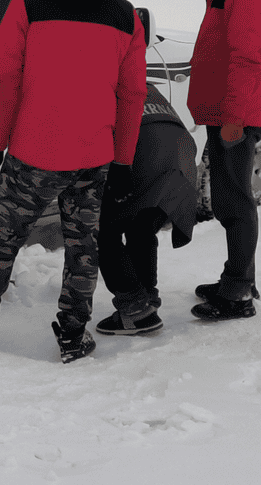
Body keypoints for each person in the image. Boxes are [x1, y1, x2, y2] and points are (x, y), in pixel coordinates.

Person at [0, 0, 148, 363]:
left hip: (33, 155)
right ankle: (73, 336)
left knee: (2, 240)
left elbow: (5, 80)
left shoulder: (27, 3)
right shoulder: (125, 15)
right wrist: (122, 162)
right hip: (94, 157)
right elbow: (133, 94)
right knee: (84, 248)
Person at [174, 0, 261, 320]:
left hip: (237, 116)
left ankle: (236, 293)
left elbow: (247, 61)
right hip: (227, 113)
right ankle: (238, 278)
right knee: (230, 200)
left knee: (235, 204)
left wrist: (233, 119)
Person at [95, 83, 199, 335]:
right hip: (182, 153)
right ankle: (147, 299)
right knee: (141, 226)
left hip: (144, 152)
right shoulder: (143, 82)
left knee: (103, 230)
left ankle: (134, 308)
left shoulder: (98, 84)